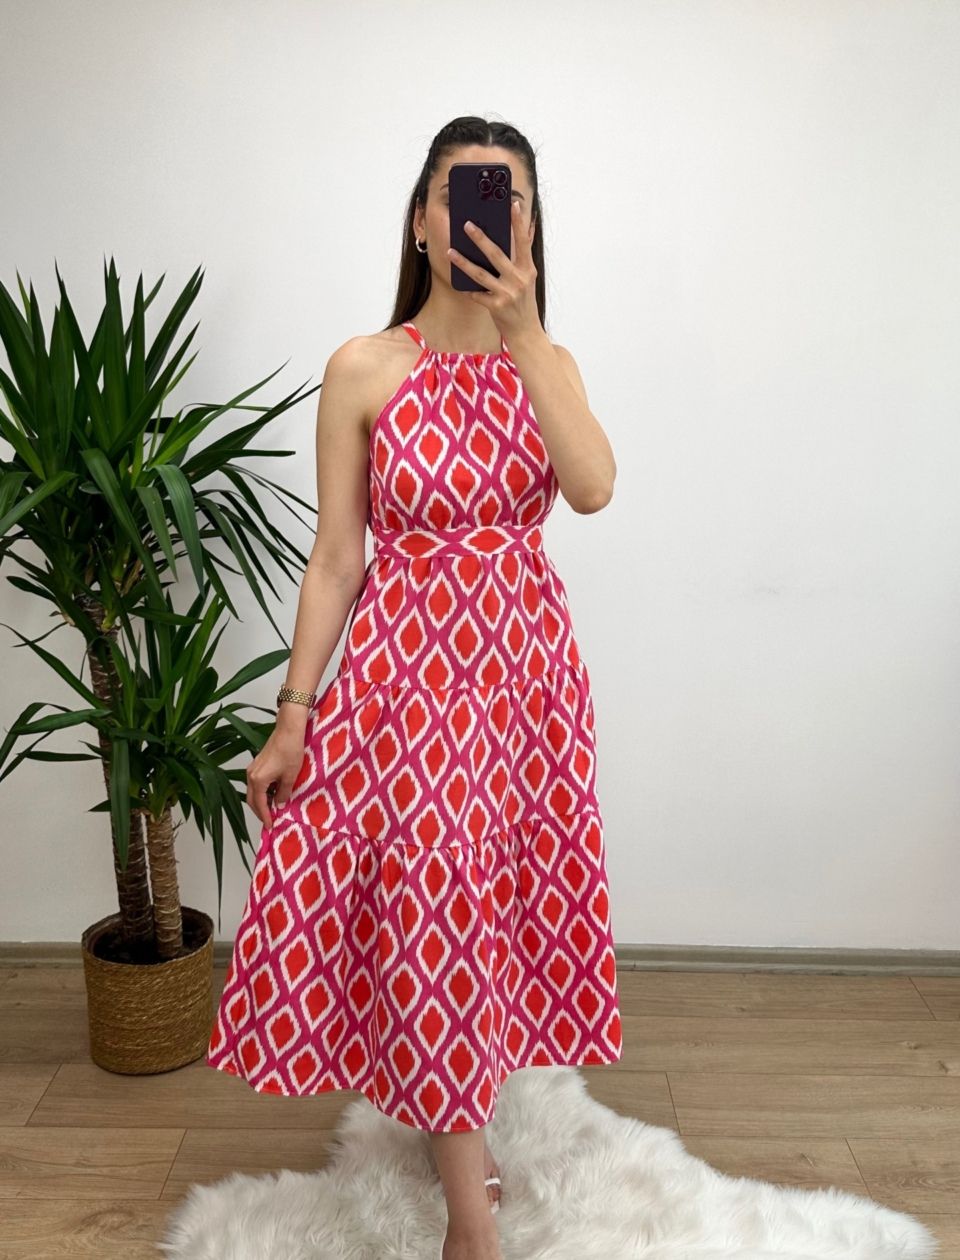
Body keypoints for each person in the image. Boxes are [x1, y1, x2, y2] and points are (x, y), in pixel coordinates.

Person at [206, 115, 623, 1260]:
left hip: (524, 685)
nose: (485, 213)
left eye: (509, 197)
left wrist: (524, 332)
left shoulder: (549, 365)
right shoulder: (364, 368)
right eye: (462, 192)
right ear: (422, 220)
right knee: (433, 910)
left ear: (529, 226)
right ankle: (469, 1222)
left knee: (481, 913)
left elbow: (592, 487)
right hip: (407, 683)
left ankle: (457, 1131)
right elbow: (337, 558)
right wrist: (293, 716)